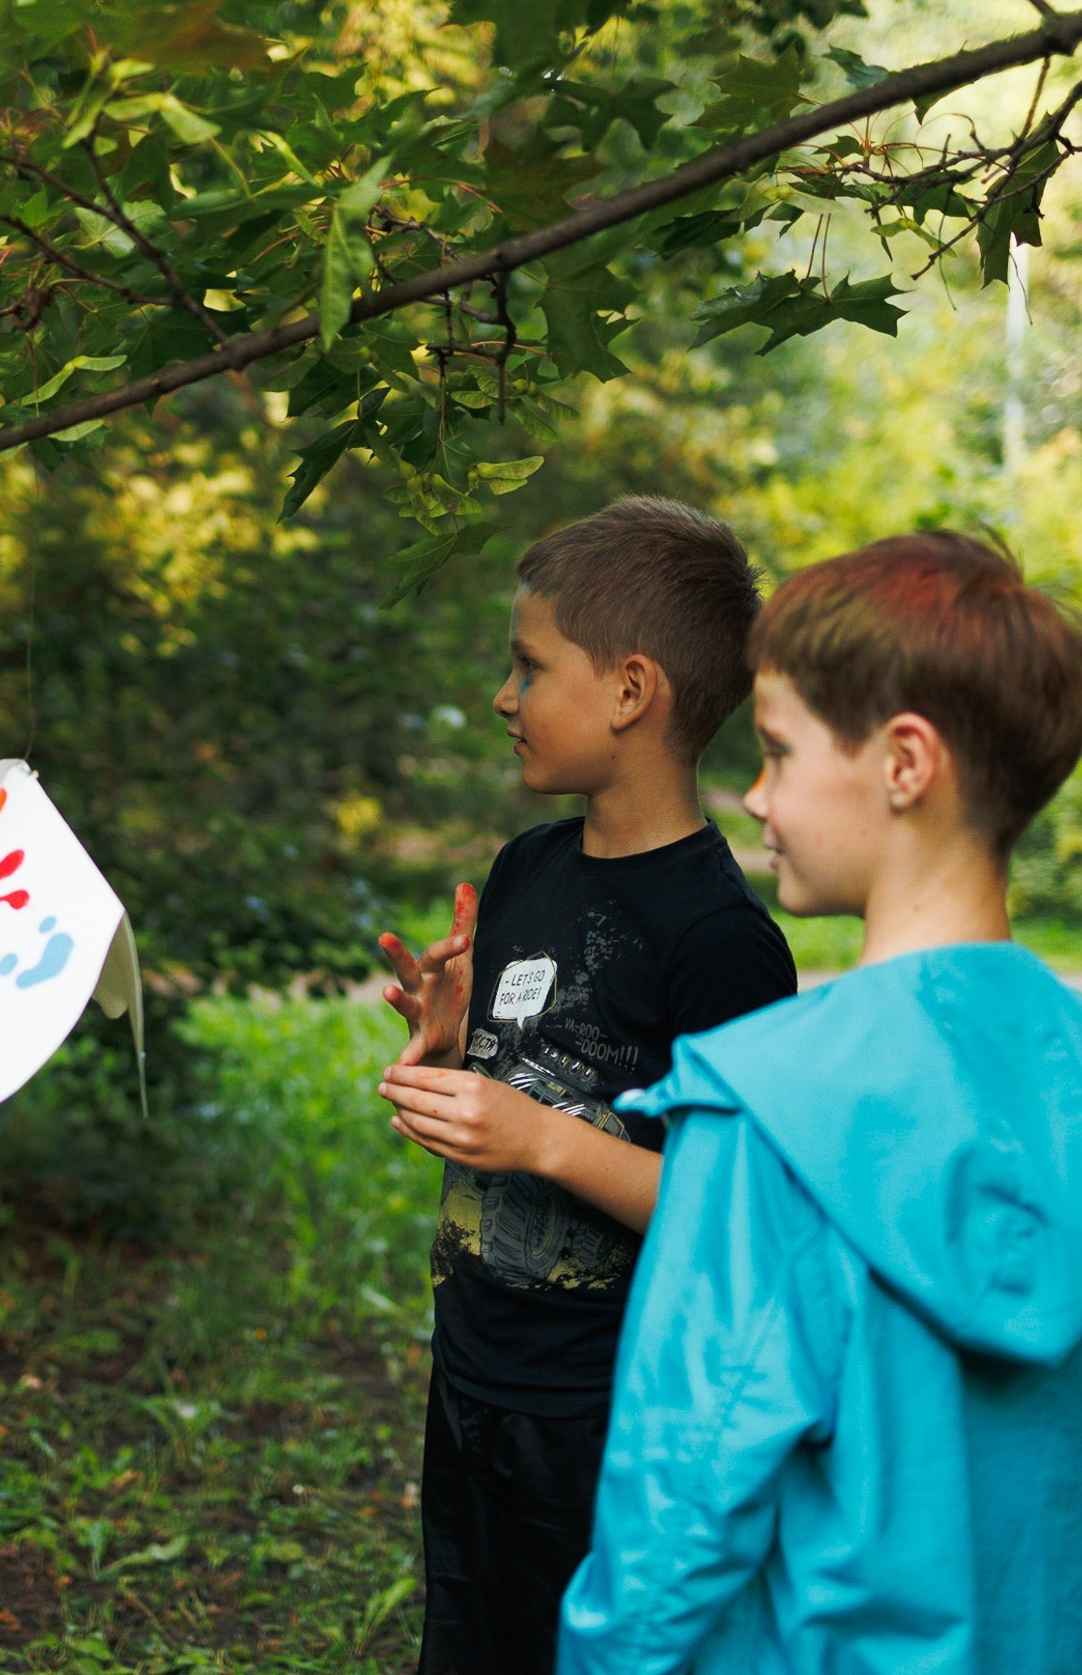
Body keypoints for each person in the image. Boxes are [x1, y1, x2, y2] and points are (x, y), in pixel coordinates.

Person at [555, 531, 1082, 1674]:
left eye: (777, 750)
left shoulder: (759, 1111)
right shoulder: (1068, 1067)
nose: (755, 796)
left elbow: (675, 1516)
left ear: (904, 763)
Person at [375, 498, 801, 1675]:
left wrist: (532, 1137)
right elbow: (534, 1097)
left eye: (527, 668)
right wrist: (457, 1063)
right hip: (470, 1366)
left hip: (609, 1410)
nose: (501, 699)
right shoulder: (526, 868)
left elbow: (732, 1213)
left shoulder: (720, 942)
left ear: (628, 690)